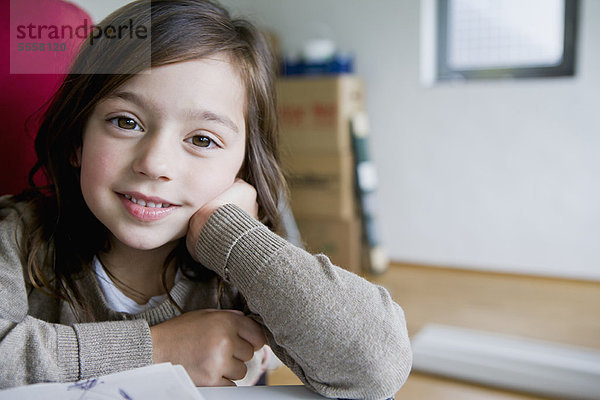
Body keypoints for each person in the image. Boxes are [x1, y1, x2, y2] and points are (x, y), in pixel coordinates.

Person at [0, 0, 412, 398]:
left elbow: (376, 369)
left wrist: (239, 241)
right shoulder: (16, 234)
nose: (155, 163)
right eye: (126, 122)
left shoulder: (242, 262)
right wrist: (159, 349)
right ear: (78, 139)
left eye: (202, 139)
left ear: (243, 166)